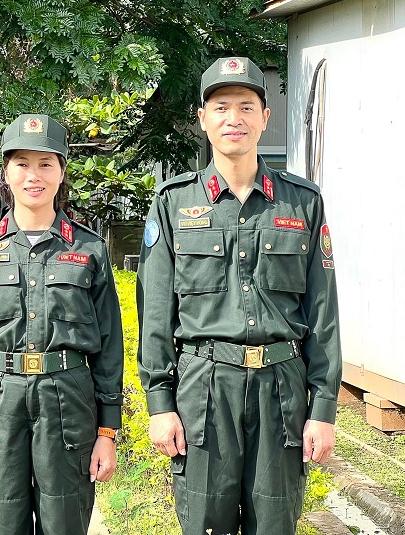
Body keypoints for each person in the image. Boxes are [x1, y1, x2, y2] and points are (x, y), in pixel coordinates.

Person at [137, 57, 342, 535]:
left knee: (275, 523)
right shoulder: (174, 202)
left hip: (281, 390)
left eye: (247, 106)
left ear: (265, 117)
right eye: (221, 106)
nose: (234, 119)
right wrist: (160, 404)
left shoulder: (302, 202)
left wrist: (324, 409)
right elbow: (156, 314)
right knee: (205, 524)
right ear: (203, 118)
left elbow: (323, 312)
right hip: (204, 391)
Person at [0, 114, 124, 535]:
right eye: (22, 164)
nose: (34, 176)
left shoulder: (89, 249)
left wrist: (107, 431)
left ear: (62, 172)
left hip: (69, 401)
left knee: (65, 522)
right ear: (5, 172)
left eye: (46, 164)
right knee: (1, 522)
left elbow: (109, 346)